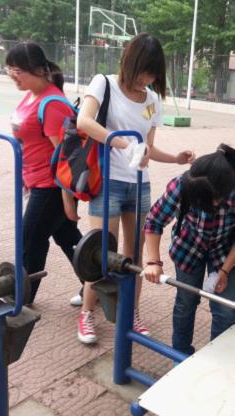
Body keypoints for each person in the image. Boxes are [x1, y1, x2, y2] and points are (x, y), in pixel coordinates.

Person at [75, 33, 195, 344]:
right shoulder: (104, 84)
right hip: (108, 182)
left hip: (139, 185)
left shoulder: (152, 100)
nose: (146, 79)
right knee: (102, 253)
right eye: (143, 71)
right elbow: (84, 122)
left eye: (152, 74)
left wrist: (175, 158)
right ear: (129, 62)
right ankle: (87, 313)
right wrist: (124, 144)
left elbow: (147, 148)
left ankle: (132, 312)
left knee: (134, 256)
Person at [144, 144, 235, 356]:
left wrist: (224, 271)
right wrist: (154, 262)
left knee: (225, 310)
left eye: (210, 203)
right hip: (189, 247)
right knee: (186, 303)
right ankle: (180, 355)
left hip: (227, 250)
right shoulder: (183, 184)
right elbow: (154, 221)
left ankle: (218, 360)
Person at [6, 42, 83, 303]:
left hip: (51, 186)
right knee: (68, 238)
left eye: (17, 70)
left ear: (38, 70)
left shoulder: (53, 104)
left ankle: (22, 299)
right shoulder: (31, 95)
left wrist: (67, 199)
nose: (12, 75)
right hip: (37, 181)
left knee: (30, 239)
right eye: (10, 69)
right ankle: (97, 284)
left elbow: (66, 158)